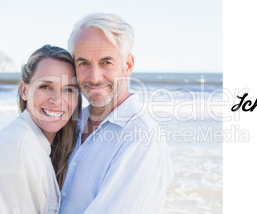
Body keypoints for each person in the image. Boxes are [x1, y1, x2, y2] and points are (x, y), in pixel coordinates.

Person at [59, 13, 174, 213]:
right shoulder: (71, 123)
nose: (94, 77)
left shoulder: (141, 138)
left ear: (128, 65)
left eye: (106, 62)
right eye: (84, 63)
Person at [0, 45, 82, 214]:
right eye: (46, 86)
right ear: (24, 90)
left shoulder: (36, 144)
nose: (57, 100)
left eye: (68, 89)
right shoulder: (19, 148)